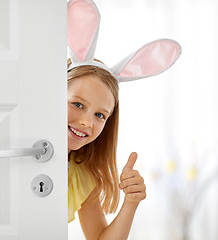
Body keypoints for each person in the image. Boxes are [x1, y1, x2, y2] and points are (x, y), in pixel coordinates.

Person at [67, 0, 182, 239]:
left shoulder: (82, 176)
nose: (88, 123)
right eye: (77, 104)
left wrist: (131, 202)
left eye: (100, 115)